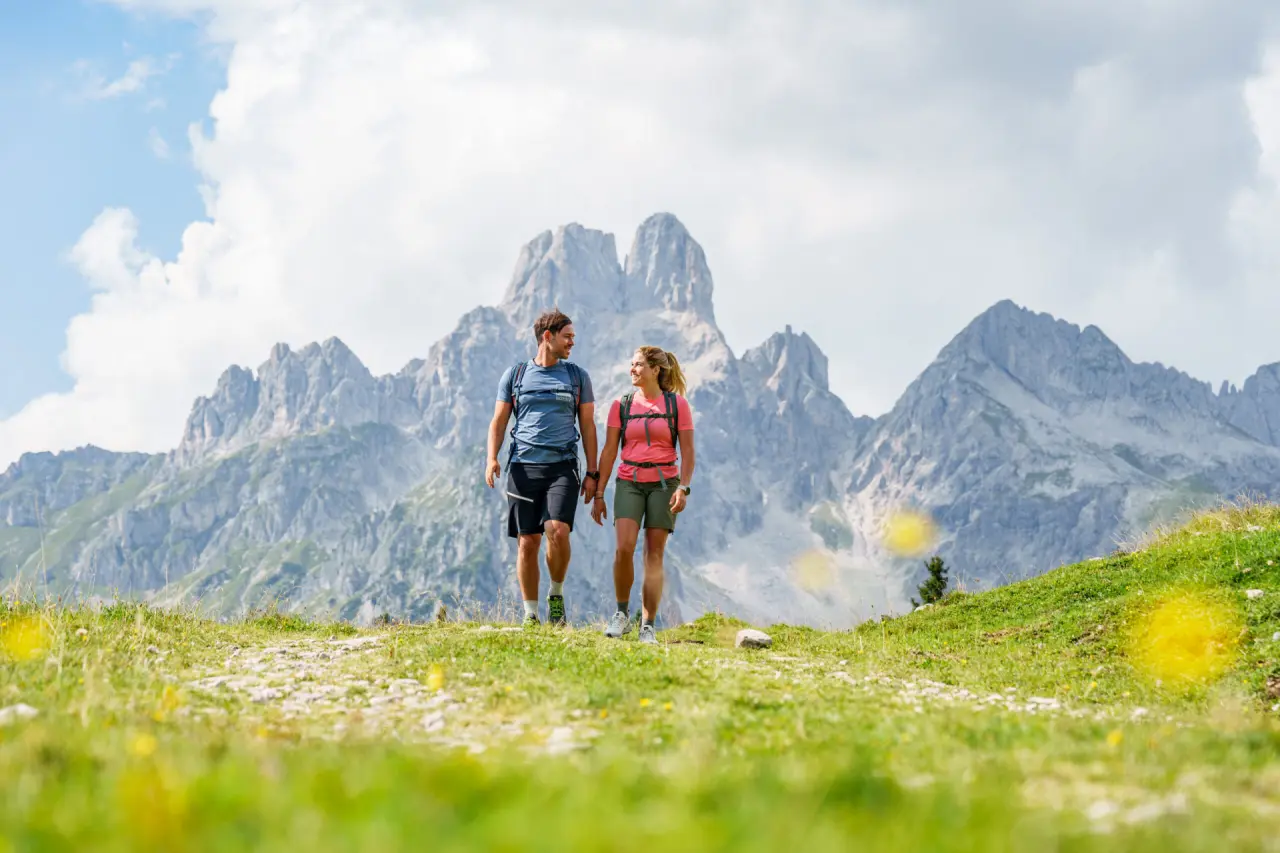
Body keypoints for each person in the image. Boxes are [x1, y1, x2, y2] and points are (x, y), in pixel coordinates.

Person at [485, 309, 599, 627]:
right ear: (547, 337)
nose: (572, 342)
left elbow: (588, 426)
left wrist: (592, 472)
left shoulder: (577, 377)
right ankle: (530, 614)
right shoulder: (516, 375)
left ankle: (556, 594)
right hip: (522, 466)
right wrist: (491, 458)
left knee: (558, 532)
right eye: (568, 337)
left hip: (562, 466)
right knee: (528, 541)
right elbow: (499, 420)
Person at [590, 346, 695, 644]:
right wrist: (599, 493)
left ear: (655, 370)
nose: (632, 369)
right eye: (631, 364)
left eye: (638, 365)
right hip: (629, 482)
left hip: (664, 484)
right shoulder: (620, 405)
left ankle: (647, 625)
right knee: (623, 548)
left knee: (654, 554)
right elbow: (610, 451)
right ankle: (621, 615)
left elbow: (687, 451)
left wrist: (683, 487)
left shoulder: (677, 406)